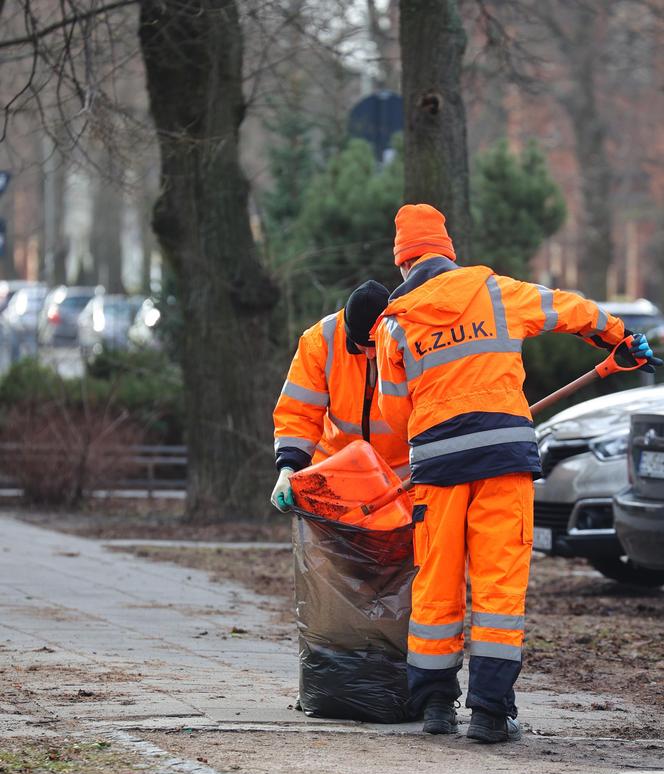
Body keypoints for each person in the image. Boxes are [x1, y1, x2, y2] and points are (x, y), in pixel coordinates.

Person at [373, 203, 661, 743]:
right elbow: (572, 310)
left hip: (436, 467)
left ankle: (435, 707)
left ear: (403, 265)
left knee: (435, 587)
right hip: (504, 462)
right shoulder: (498, 293)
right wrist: (620, 336)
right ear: (446, 252)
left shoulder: (395, 328)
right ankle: (489, 713)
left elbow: (393, 414)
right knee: (498, 587)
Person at [271, 281, 410, 511]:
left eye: (375, 345)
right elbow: (299, 413)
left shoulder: (409, 335)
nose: (371, 353)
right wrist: (288, 470)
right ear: (348, 334)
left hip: (402, 485)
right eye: (362, 346)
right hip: (334, 483)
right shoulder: (320, 342)